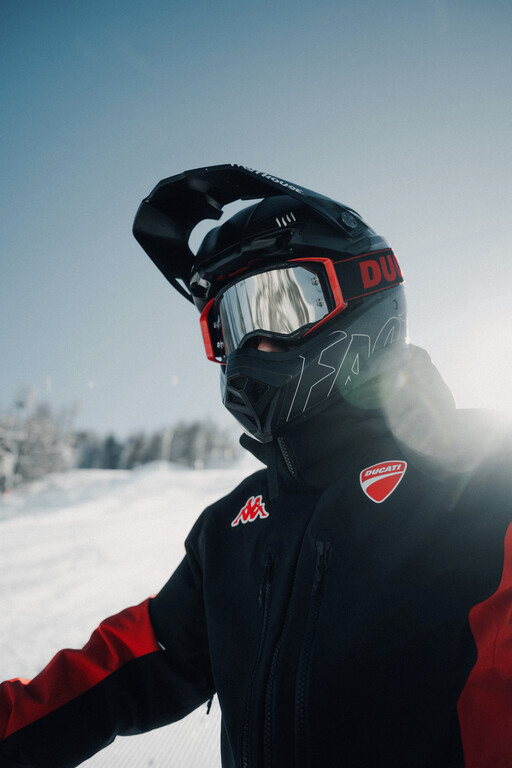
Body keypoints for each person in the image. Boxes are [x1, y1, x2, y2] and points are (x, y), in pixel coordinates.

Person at [1, 164, 511, 768]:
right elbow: (122, 665)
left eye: (276, 306)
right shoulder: (229, 530)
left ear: (360, 291)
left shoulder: (485, 479)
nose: (249, 348)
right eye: (231, 324)